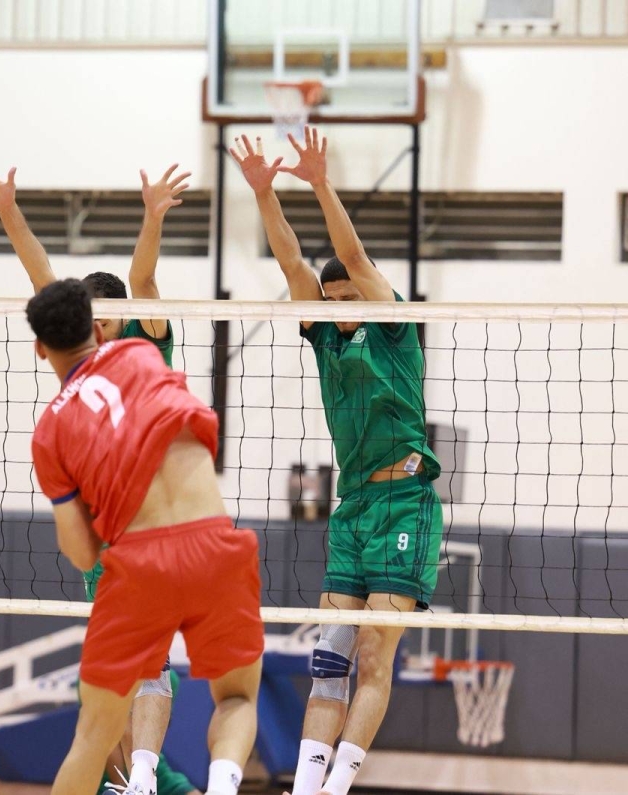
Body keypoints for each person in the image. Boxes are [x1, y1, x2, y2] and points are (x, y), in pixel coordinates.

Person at [0, 155, 198, 795]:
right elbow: (41, 277)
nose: (95, 326)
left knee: (149, 657)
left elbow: (143, 277)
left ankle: (143, 778)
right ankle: (128, 781)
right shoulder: (78, 356)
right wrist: (9, 212)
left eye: (104, 315)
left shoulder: (149, 340)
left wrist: (152, 217)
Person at [231, 127, 443, 795]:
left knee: (375, 655)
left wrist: (320, 183)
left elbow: (350, 254)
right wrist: (264, 194)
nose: (345, 307)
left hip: (405, 502)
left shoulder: (392, 327)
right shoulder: (323, 333)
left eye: (354, 296)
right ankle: (305, 787)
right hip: (352, 507)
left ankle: (338, 785)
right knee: (329, 661)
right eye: (336, 300)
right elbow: (292, 260)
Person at [27, 279, 264, 795]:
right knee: (237, 698)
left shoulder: (49, 433)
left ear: (40, 347)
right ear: (98, 330)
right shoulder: (142, 353)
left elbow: (82, 552)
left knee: (93, 737)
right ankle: (223, 786)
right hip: (216, 546)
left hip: (139, 562)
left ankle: (141, 779)